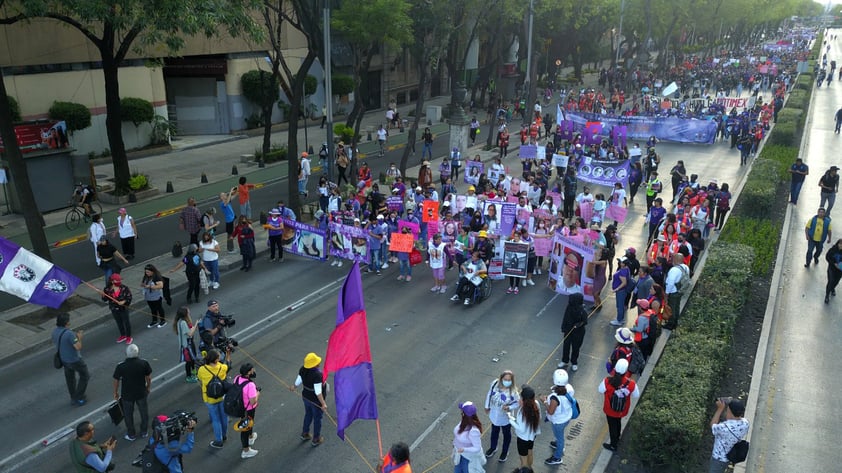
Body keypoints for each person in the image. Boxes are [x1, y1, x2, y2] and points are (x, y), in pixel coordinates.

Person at [598, 358, 639, 452]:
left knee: (612, 426)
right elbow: (636, 395)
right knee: (618, 421)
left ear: (615, 369)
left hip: (610, 409)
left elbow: (600, 390)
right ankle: (618, 436)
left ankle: (613, 445)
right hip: (622, 410)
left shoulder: (607, 381)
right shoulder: (631, 384)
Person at [112, 343, 152, 441]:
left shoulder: (121, 366)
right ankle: (144, 431)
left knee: (128, 415)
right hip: (141, 393)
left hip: (127, 395)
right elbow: (148, 378)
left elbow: (116, 380)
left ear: (126, 353)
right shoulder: (144, 363)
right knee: (144, 412)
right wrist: (148, 387)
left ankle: (131, 434)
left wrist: (115, 392)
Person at [290, 352, 328, 447]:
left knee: (308, 414)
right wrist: (323, 404)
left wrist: (294, 386)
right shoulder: (317, 375)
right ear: (315, 364)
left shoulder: (303, 369)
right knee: (317, 419)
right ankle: (316, 439)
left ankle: (305, 433)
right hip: (315, 401)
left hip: (306, 397)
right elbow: (318, 392)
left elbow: (299, 380)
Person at [53, 313, 90, 406]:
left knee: (70, 379)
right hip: (74, 360)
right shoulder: (69, 334)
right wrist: (79, 338)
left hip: (64, 360)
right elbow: (78, 347)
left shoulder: (55, 332)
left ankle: (73, 397)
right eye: (69, 320)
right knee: (85, 376)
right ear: (66, 323)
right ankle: (79, 397)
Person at [196, 348, 230, 449]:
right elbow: (228, 365)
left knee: (216, 419)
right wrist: (228, 354)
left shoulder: (202, 370)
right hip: (222, 397)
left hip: (209, 398)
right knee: (224, 417)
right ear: (216, 360)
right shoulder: (222, 368)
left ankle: (218, 440)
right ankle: (224, 436)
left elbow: (200, 379)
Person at [483, 370, 519, 463]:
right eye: (505, 379)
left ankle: (505, 451)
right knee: (494, 431)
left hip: (505, 418)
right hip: (494, 415)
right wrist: (487, 406)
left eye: (509, 380)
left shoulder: (513, 392)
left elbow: (517, 403)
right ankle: (493, 447)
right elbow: (489, 394)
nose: (507, 381)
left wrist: (509, 407)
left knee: (506, 434)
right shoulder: (495, 384)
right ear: (501, 378)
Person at [541, 370, 574, 465]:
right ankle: (558, 445)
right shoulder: (569, 389)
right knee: (559, 435)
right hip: (566, 417)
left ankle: (557, 457)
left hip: (559, 421)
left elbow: (551, 411)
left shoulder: (555, 397)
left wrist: (544, 401)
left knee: (560, 438)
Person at [708, 398, 749, 473]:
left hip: (719, 459)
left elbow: (713, 425)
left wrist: (720, 409)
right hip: (729, 455)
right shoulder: (745, 423)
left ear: (729, 411)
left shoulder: (724, 428)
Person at [507, 385, 541, 469]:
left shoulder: (523, 412)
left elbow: (521, 428)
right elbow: (539, 417)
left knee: (523, 460)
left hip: (523, 438)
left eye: (520, 398)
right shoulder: (536, 404)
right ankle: (530, 468)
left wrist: (510, 419)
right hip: (532, 435)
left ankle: (525, 470)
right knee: (530, 452)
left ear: (523, 400)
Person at [233, 363, 260, 459]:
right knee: (245, 429)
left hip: (240, 408)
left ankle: (251, 437)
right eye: (253, 370)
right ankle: (246, 450)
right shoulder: (251, 385)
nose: (254, 371)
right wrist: (258, 393)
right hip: (248, 409)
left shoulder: (237, 378)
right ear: (248, 372)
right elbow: (253, 401)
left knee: (249, 424)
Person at [452, 401, 485, 473]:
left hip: (467, 458)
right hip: (459, 454)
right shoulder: (463, 422)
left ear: (464, 414)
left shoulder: (473, 431)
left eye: (462, 411)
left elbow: (477, 448)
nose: (460, 412)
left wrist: (464, 449)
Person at [559, 293, 588, 371]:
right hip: (568, 330)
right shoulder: (569, 307)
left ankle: (574, 362)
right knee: (566, 346)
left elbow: (585, 321)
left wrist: (578, 325)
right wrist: (563, 327)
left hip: (578, 333)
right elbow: (565, 317)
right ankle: (564, 361)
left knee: (576, 348)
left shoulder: (583, 310)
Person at [102, 274, 133, 344]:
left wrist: (124, 301)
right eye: (117, 280)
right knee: (119, 322)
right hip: (114, 309)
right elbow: (105, 299)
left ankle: (128, 337)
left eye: (119, 280)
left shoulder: (124, 288)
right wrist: (103, 295)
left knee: (126, 322)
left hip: (123, 308)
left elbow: (129, 297)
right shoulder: (107, 289)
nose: (119, 281)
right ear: (112, 281)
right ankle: (123, 335)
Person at [173, 306, 199, 383]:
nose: (189, 312)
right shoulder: (183, 323)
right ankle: (189, 376)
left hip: (189, 343)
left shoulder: (181, 321)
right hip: (187, 345)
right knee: (189, 361)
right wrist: (196, 324)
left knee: (193, 358)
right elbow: (190, 333)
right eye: (188, 311)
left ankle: (193, 371)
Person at [610, 257, 631, 326]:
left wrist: (617, 289)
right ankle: (620, 318)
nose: (620, 263)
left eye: (621, 262)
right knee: (620, 305)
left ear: (624, 264)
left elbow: (624, 282)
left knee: (620, 306)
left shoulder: (623, 271)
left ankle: (619, 320)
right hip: (622, 291)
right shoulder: (626, 269)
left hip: (621, 291)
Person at [219, 187, 238, 252]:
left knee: (232, 233)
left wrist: (236, 191)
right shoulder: (222, 203)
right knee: (230, 235)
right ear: (221, 198)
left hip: (232, 219)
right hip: (229, 220)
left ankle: (231, 247)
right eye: (223, 195)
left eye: (225, 194)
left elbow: (235, 195)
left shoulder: (227, 200)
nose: (225, 195)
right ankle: (230, 249)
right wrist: (230, 192)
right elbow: (226, 202)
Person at [826, 239, 842, 303]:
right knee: (831, 281)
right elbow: (827, 257)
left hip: (840, 271)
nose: (841, 245)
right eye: (840, 244)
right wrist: (834, 263)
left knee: (836, 282)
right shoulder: (833, 250)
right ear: (838, 244)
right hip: (831, 269)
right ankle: (827, 295)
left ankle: (832, 288)